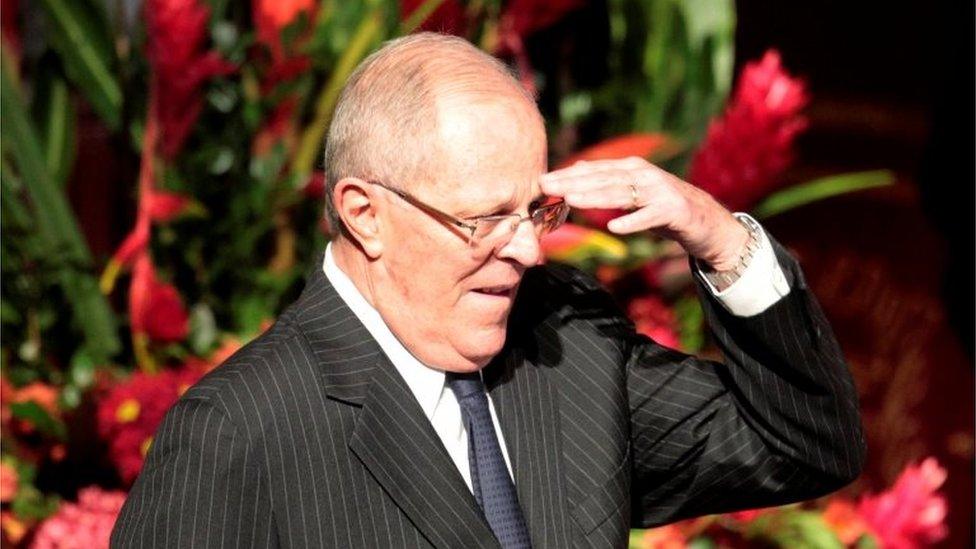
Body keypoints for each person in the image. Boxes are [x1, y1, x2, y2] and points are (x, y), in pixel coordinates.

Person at [110, 33, 865, 548]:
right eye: (485, 218)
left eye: (535, 210)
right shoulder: (239, 431)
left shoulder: (566, 350)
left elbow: (803, 443)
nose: (531, 248)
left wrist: (718, 236)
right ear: (363, 213)